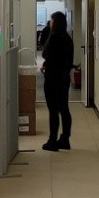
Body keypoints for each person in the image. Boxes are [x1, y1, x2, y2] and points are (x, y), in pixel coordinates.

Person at [40, 10, 74, 151]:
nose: (50, 22)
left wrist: (46, 65)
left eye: (52, 20)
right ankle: (65, 140)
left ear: (56, 22)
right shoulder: (68, 38)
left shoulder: (53, 37)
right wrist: (46, 64)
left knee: (53, 110)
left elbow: (46, 54)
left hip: (53, 79)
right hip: (64, 78)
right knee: (64, 108)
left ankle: (52, 141)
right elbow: (62, 59)